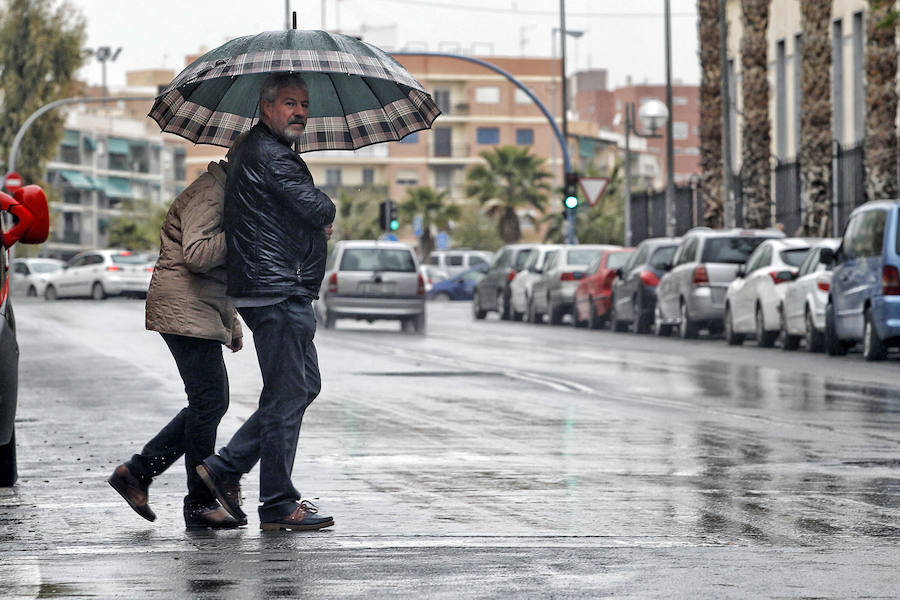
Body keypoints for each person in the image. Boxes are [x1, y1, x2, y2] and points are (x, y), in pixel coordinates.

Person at [196, 72, 337, 532]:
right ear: (267, 108)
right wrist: (326, 209)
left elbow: (288, 213)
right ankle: (275, 502)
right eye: (290, 103)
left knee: (300, 388)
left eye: (304, 105)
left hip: (280, 287)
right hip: (276, 288)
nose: (299, 112)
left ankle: (227, 468)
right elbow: (315, 209)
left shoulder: (264, 152)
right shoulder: (271, 154)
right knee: (289, 393)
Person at [108, 151, 245, 530]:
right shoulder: (211, 193)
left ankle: (136, 473)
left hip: (197, 306)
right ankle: (198, 503)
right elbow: (199, 256)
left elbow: (217, 274)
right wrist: (240, 232)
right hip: (184, 305)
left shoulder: (226, 192)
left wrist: (230, 323)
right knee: (209, 402)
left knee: (207, 402)